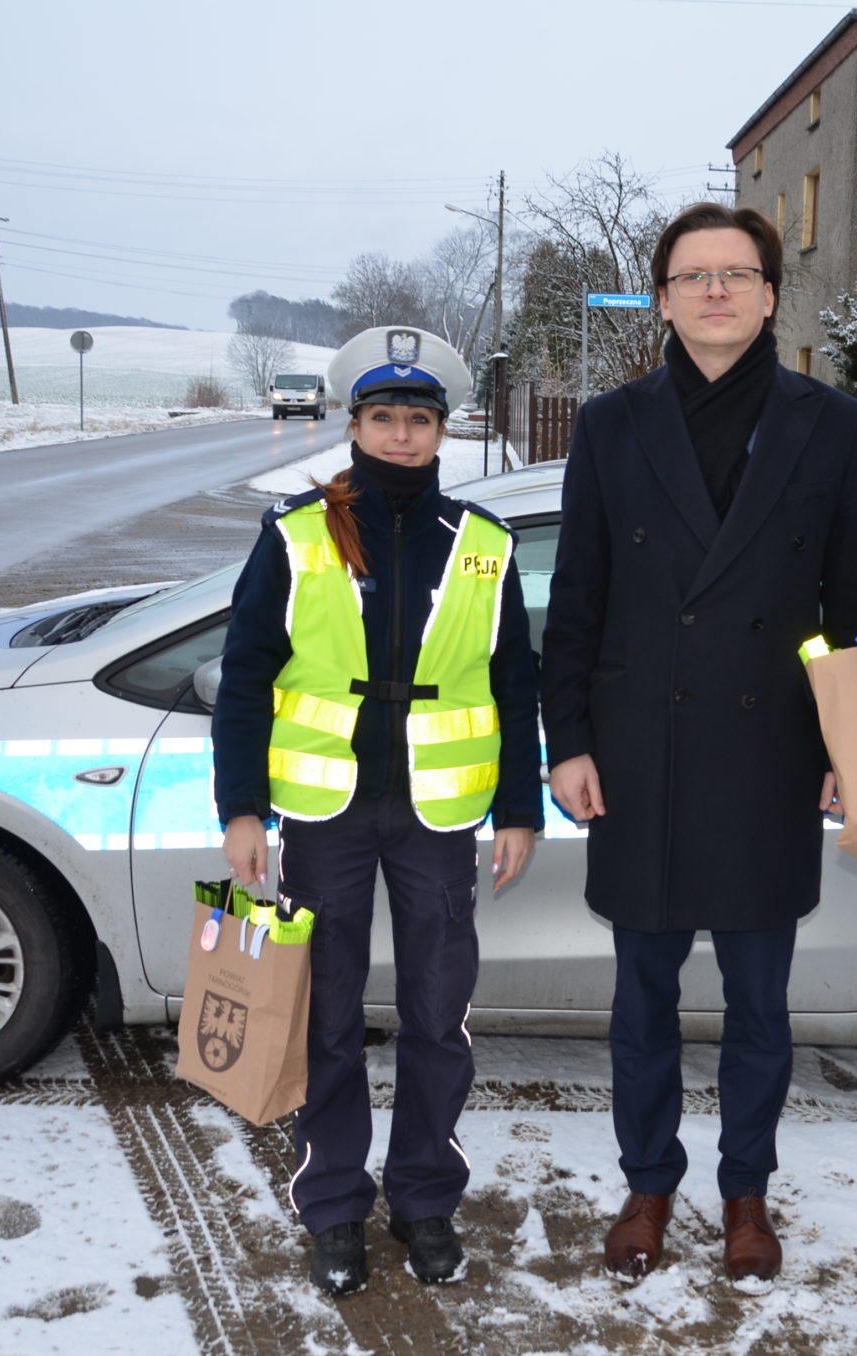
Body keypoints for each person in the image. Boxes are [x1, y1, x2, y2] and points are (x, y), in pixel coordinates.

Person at [539, 202, 857, 1289]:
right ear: (663, 299)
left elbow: (849, 600)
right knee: (639, 996)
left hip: (767, 754)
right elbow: (578, 596)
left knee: (757, 1005)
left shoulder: (829, 425)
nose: (716, 291)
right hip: (639, 756)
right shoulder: (608, 423)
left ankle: (745, 1194)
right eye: (693, 275)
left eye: (737, 273)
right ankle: (647, 1181)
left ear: (771, 295)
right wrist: (568, 743)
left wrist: (849, 741)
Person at [211, 325, 542, 1297]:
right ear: (354, 422)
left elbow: (512, 683)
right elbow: (243, 681)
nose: (402, 434)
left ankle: (426, 1199)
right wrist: (241, 810)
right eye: (384, 416)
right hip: (325, 815)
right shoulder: (295, 533)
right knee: (328, 1018)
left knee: (440, 1017)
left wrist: (517, 808)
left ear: (444, 430)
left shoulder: (483, 546)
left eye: (420, 419)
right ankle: (334, 1208)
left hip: (439, 819)